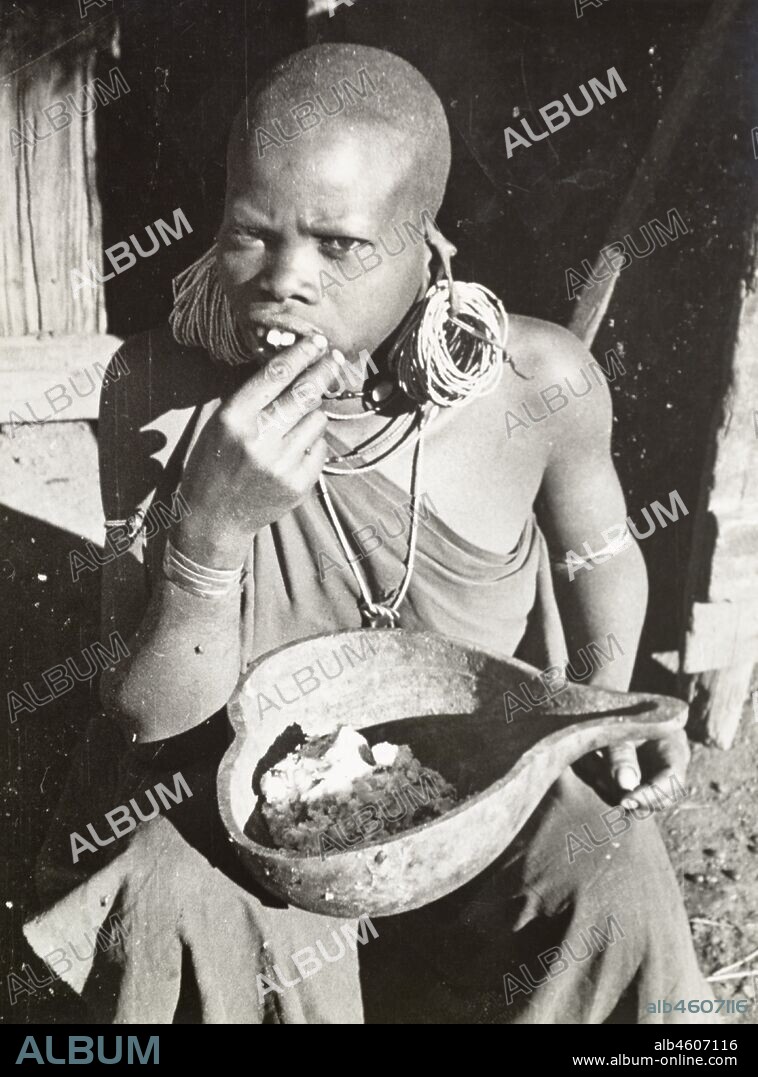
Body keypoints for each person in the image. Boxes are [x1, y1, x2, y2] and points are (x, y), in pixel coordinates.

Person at [26, 42, 711, 1024]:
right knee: (166, 896)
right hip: (238, 799)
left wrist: (595, 707)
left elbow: (598, 554)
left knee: (614, 881)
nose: (283, 280)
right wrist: (209, 536)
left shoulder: (535, 385)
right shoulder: (164, 393)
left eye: (337, 246)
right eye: (250, 235)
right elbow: (147, 719)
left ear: (424, 244)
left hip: (468, 778)